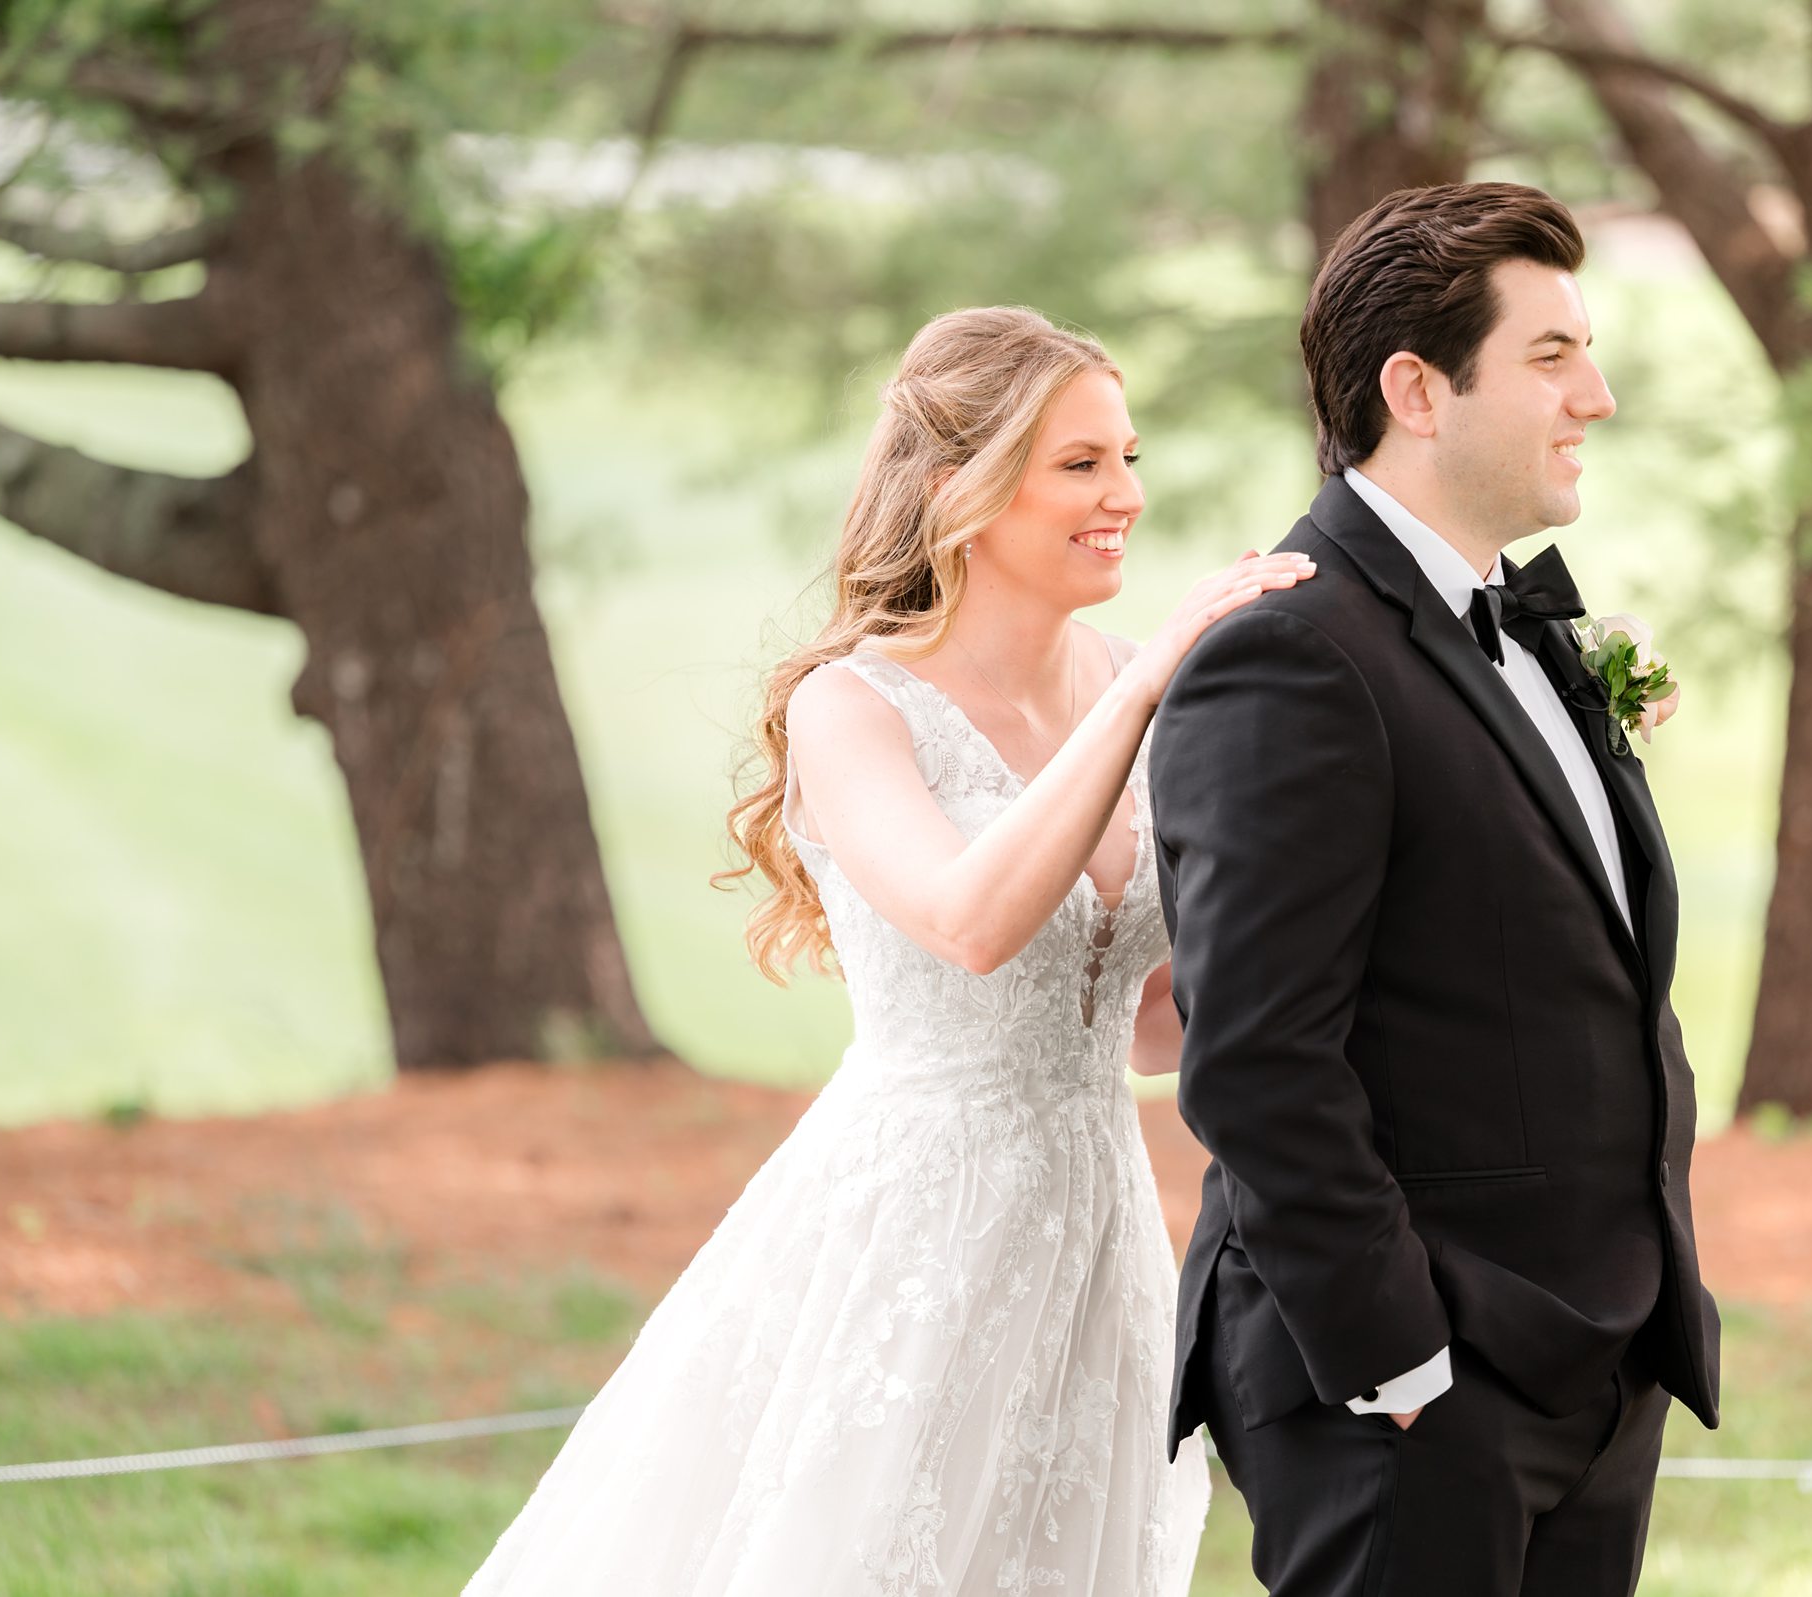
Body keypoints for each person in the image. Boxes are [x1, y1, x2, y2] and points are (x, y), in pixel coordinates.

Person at [463, 305, 1311, 1595]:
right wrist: (1145, 696)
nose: (1125, 495)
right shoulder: (852, 706)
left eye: (1128, 457)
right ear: (960, 487)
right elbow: (971, 924)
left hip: (1100, 1227)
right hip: (917, 1221)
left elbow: (1143, 1019)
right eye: (1081, 463)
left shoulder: (1147, 677)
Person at [1150, 182, 1721, 1596]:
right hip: (1416, 1390)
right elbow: (1258, 1056)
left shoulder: (1520, 634)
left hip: (1591, 1360)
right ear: (1417, 387)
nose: (1595, 394)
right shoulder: (1290, 652)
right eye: (1550, 356)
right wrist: (1402, 1361)